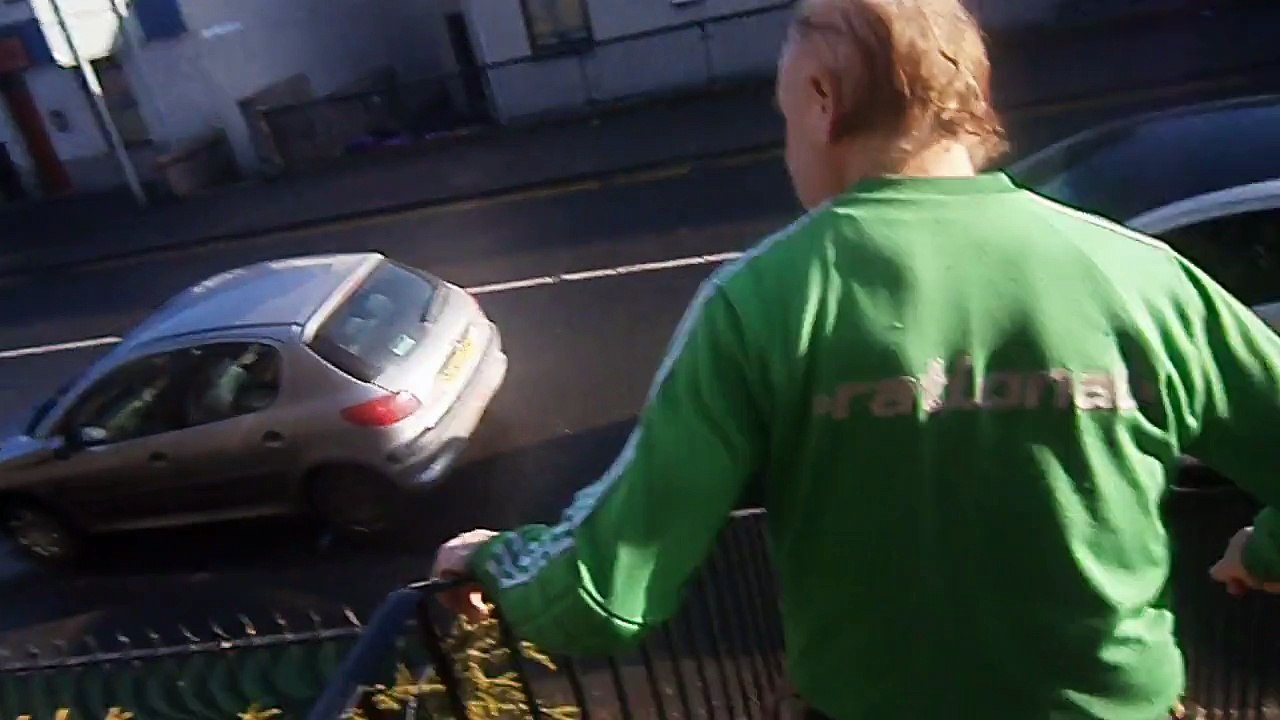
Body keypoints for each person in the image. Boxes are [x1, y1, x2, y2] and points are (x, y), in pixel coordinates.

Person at [431, 0, 1280, 717]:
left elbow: (604, 589)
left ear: (823, 100)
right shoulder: (1139, 276)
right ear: (971, 99)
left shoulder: (761, 300)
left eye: (785, 117)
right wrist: (1264, 552)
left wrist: (493, 561)